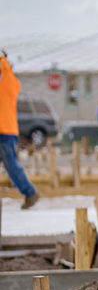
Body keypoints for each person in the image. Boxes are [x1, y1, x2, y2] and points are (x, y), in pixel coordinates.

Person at [0, 52, 39, 208]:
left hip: (6, 132)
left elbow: (5, 70)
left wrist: (2, 59)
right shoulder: (8, 84)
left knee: (11, 165)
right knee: (11, 165)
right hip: (7, 131)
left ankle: (30, 193)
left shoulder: (9, 84)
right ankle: (30, 193)